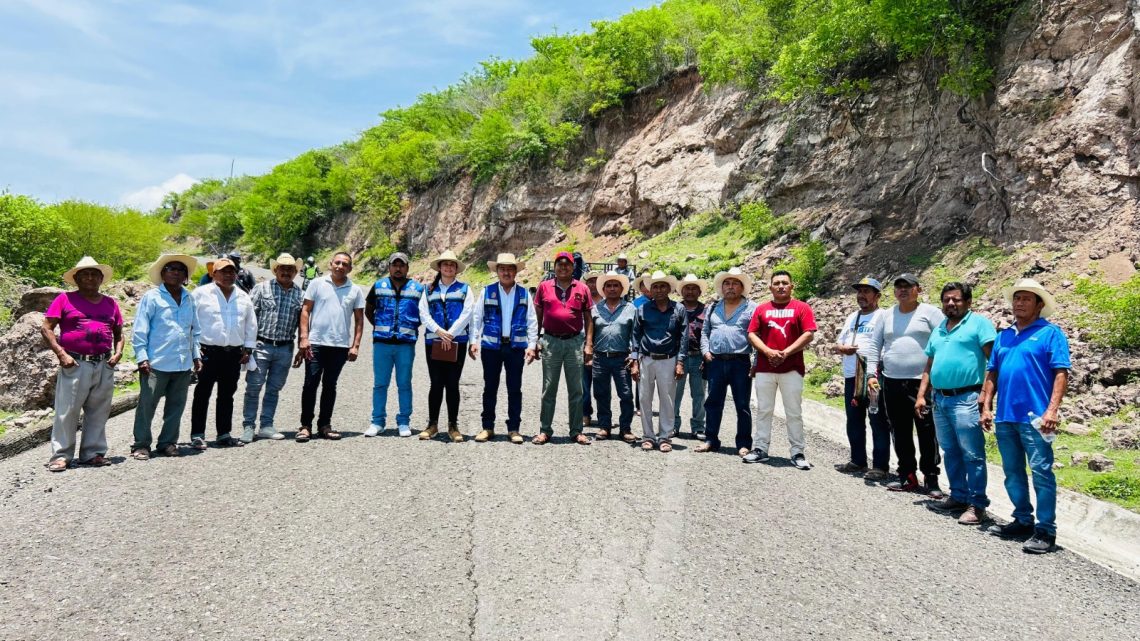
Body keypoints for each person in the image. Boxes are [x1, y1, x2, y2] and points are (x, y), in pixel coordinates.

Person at [982, 278, 1070, 554]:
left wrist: (1052, 409)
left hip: (1036, 418)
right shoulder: (1004, 336)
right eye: (1016, 298)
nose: (1019, 303)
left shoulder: (1050, 334)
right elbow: (992, 373)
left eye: (1026, 299)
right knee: (1012, 472)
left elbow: (1061, 372)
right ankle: (1022, 520)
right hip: (1006, 416)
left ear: (1039, 305)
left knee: (1042, 472)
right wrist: (986, 405)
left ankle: (1045, 530)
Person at [915, 282, 997, 525]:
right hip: (940, 399)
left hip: (967, 399)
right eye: (947, 300)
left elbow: (993, 362)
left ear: (968, 302)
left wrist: (986, 396)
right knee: (950, 451)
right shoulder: (940, 328)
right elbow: (930, 365)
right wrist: (922, 395)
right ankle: (959, 496)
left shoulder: (979, 324)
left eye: (956, 300)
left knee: (972, 454)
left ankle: (977, 504)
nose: (951, 303)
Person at [41, 257, 124, 471]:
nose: (89, 277)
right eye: (84, 274)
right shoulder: (64, 299)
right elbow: (46, 328)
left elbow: (119, 333)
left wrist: (118, 353)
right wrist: (61, 354)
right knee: (67, 411)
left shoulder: (111, 303)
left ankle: (92, 453)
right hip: (75, 363)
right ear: (76, 278)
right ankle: (61, 455)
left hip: (104, 363)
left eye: (94, 274)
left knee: (99, 410)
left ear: (101, 278)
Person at [867, 273, 945, 496]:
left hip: (922, 383)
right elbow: (875, 346)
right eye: (898, 287)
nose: (902, 290)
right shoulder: (886, 315)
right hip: (891, 381)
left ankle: (931, 478)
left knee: (927, 431)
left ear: (917, 289)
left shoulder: (930, 313)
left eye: (907, 287)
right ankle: (907, 476)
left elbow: (943, 342)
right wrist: (872, 374)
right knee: (899, 430)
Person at [130, 254, 201, 460]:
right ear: (163, 273)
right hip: (156, 363)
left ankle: (168, 442)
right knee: (146, 406)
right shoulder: (152, 297)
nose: (176, 272)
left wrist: (196, 356)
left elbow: (194, 330)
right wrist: (142, 358)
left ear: (185, 276)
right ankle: (141, 444)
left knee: (176, 407)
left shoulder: (189, 298)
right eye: (171, 268)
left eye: (180, 269)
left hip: (182, 362)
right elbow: (140, 330)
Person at [744, 270, 816, 469]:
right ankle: (760, 449)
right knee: (764, 410)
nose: (781, 286)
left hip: (792, 368)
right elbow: (752, 334)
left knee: (793, 412)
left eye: (785, 282)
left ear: (792, 286)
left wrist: (785, 352)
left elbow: (808, 334)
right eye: (777, 283)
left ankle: (797, 452)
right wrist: (767, 352)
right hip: (765, 368)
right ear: (770, 287)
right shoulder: (762, 309)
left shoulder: (801, 308)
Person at [469, 253, 538, 444]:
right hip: (491, 347)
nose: (506, 272)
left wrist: (532, 345)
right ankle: (487, 427)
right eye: (503, 269)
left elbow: (532, 321)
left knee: (514, 388)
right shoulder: (486, 291)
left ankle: (514, 428)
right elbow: (477, 318)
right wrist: (473, 341)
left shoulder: (524, 293)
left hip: (516, 347)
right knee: (490, 387)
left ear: (516, 271)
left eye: (510, 269)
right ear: (497, 271)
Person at [297, 252, 365, 442]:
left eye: (345, 264)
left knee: (330, 385)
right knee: (310, 383)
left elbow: (359, 320)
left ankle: (324, 425)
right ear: (330, 264)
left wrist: (355, 346)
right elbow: (305, 310)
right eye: (337, 262)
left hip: (339, 346)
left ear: (350, 268)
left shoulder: (355, 290)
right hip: (316, 343)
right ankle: (305, 426)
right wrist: (304, 337)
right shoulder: (316, 284)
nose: (340, 266)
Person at [190, 257, 257, 449]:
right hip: (207, 352)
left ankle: (224, 433)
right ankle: (197, 434)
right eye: (223, 271)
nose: (228, 275)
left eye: (231, 271)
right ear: (213, 273)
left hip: (233, 353)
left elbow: (251, 325)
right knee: (202, 393)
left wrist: (248, 348)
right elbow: (190, 323)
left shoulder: (243, 297)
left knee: (227, 394)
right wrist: (193, 349)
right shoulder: (201, 294)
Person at [242, 253, 305, 442]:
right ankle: (248, 426)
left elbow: (303, 323)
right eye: (282, 268)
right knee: (253, 387)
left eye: (290, 269)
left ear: (295, 272)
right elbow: (249, 318)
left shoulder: (300, 294)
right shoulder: (261, 289)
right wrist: (246, 347)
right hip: (261, 345)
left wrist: (302, 347)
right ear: (275, 270)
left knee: (274, 389)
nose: (286, 272)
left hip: (285, 348)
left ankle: (266, 425)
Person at [832, 277, 891, 480]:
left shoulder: (884, 316)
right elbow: (839, 343)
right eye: (859, 291)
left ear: (877, 296)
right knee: (854, 419)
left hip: (874, 376)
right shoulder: (852, 317)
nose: (862, 296)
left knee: (877, 420)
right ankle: (857, 460)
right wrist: (842, 348)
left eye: (867, 291)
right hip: (852, 375)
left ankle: (880, 466)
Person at [534, 251, 594, 444]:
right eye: (559, 264)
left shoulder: (582, 288)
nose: (563, 267)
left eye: (567, 264)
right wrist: (535, 340)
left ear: (573, 267)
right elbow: (538, 316)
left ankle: (576, 431)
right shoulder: (544, 287)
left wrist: (589, 345)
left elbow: (588, 319)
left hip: (575, 342)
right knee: (548, 388)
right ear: (555, 267)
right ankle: (545, 430)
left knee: (576, 389)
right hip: (551, 341)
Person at [695, 268, 756, 455]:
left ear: (742, 287)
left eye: (735, 283)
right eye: (727, 284)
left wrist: (756, 362)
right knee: (713, 402)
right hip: (715, 361)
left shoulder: (752, 308)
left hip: (740, 362)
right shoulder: (712, 307)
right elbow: (704, 332)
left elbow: (757, 335)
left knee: (742, 405)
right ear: (722, 287)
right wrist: (705, 351)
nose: (730, 287)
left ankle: (744, 443)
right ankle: (711, 439)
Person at [364, 252, 424, 438]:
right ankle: (377, 421)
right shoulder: (378, 286)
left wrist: (409, 325)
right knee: (380, 384)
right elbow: (369, 310)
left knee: (404, 383)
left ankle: (404, 421)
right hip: (382, 343)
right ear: (389, 267)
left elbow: (424, 315)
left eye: (402, 265)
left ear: (407, 268)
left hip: (405, 345)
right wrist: (382, 327)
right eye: (394, 265)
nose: (398, 268)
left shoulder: (417, 288)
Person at [417, 250, 475, 442]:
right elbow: (423, 313)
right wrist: (439, 331)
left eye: (452, 264)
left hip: (457, 342)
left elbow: (468, 313)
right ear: (439, 267)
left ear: (456, 269)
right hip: (433, 341)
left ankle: (453, 425)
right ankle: (432, 424)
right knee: (435, 383)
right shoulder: (428, 290)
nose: (449, 267)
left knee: (452, 383)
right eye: (445, 264)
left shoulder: (465, 289)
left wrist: (451, 333)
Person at [630, 271, 685, 452]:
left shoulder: (678, 309)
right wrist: (635, 361)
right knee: (644, 398)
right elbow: (636, 337)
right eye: (655, 286)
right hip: (646, 358)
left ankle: (664, 437)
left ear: (669, 288)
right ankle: (648, 436)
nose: (659, 290)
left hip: (668, 359)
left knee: (667, 399)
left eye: (663, 286)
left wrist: (680, 362)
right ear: (650, 289)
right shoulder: (642, 309)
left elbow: (683, 337)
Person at [590, 271, 637, 442]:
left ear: (622, 288)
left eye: (615, 285)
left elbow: (635, 335)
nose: (612, 289)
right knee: (601, 393)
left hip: (622, 358)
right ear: (603, 289)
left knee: (625, 394)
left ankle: (625, 428)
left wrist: (634, 357)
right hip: (600, 357)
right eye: (608, 285)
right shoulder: (595, 309)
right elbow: (590, 333)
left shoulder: (631, 309)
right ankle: (604, 426)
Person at [673, 274, 707, 439]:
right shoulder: (675, 309)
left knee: (699, 394)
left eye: (694, 288)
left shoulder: (706, 311)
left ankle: (698, 427)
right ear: (682, 291)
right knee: (674, 393)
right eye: (687, 288)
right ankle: (673, 425)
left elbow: (710, 335)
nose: (690, 291)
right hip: (678, 358)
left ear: (700, 291)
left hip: (699, 357)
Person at [581, 271, 603, 428]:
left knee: (601, 385)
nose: (592, 284)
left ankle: (603, 415)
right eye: (590, 281)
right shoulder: (581, 300)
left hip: (602, 347)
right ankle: (585, 413)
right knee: (584, 384)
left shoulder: (606, 301)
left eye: (596, 281)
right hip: (583, 345)